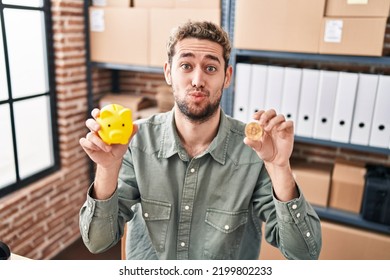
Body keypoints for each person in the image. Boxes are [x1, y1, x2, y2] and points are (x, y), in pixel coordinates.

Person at [79, 20, 322, 260]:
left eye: (210, 68)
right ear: (168, 73)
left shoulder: (256, 150)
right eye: (186, 65)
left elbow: (303, 252)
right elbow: (98, 242)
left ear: (227, 77)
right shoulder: (134, 141)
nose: (197, 80)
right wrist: (107, 169)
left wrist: (280, 168)